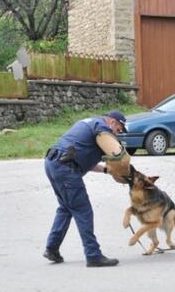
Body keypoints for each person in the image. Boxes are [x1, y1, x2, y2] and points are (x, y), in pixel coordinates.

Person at [43, 110, 131, 267]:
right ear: (112, 122)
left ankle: (52, 248)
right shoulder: (102, 128)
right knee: (83, 210)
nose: (118, 134)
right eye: (119, 129)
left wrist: (106, 170)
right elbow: (117, 154)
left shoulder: (90, 124)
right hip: (65, 168)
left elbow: (84, 159)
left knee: (66, 208)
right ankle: (93, 255)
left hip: (53, 163)